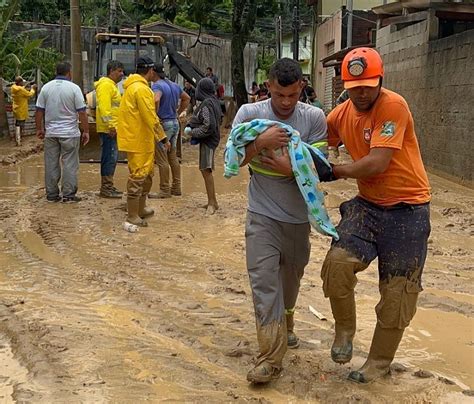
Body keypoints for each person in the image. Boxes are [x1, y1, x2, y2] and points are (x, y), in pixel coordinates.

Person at [322, 47, 431, 384]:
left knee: (398, 293)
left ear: (380, 80)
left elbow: (377, 162)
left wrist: (335, 170)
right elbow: (317, 141)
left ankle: (379, 362)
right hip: (367, 206)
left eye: (369, 84)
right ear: (345, 85)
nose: (363, 92)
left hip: (408, 209)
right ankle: (344, 330)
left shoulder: (393, 106)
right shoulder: (338, 116)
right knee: (337, 265)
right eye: (355, 86)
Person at [232, 58, 327, 384]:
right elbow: (232, 160)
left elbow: (320, 171)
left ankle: (287, 322)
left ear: (301, 87)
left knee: (291, 278)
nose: (285, 103)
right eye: (279, 96)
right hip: (261, 215)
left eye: (292, 96)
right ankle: (270, 359)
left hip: (298, 220)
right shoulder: (249, 115)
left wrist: (291, 169)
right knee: (264, 283)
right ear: (268, 87)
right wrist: (260, 143)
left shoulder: (314, 118)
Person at [117, 56, 169, 227]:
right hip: (139, 140)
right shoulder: (141, 90)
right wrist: (162, 137)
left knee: (146, 174)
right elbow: (150, 116)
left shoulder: (132, 88)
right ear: (151, 70)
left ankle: (140, 208)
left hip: (137, 138)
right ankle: (132, 214)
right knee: (138, 176)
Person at [35, 62, 89, 203]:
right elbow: (82, 112)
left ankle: (52, 195)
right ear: (69, 73)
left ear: (56, 72)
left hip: (51, 133)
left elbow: (39, 111)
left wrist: (39, 129)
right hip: (70, 133)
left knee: (51, 163)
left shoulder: (46, 88)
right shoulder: (74, 88)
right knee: (70, 164)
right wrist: (86, 131)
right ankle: (68, 195)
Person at [150, 63, 190, 198]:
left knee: (162, 159)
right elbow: (187, 98)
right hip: (174, 123)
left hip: (164, 124)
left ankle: (164, 190)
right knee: (173, 156)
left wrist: (155, 116)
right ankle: (177, 187)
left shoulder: (157, 85)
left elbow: (156, 99)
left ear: (153, 73)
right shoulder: (174, 85)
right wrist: (177, 112)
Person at [184, 78, 222, 215]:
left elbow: (208, 125)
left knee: (206, 170)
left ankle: (213, 202)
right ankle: (211, 201)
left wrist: (192, 132)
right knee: (205, 169)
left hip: (209, 140)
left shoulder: (207, 104)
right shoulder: (214, 101)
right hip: (212, 139)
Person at [95, 60, 124, 198]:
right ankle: (106, 188)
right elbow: (104, 108)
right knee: (109, 157)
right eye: (119, 71)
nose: (122, 74)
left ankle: (108, 185)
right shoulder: (106, 85)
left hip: (112, 128)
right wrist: (111, 126)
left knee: (112, 157)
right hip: (109, 130)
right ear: (111, 70)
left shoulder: (111, 86)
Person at [11, 76, 37, 146]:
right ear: (19, 82)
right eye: (22, 81)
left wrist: (24, 86)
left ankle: (17, 138)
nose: (23, 83)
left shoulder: (13, 87)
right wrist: (33, 89)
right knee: (20, 125)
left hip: (16, 108)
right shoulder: (21, 90)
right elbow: (29, 94)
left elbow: (21, 89)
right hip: (21, 109)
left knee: (17, 123)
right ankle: (18, 140)